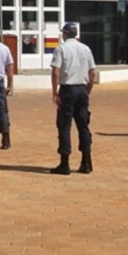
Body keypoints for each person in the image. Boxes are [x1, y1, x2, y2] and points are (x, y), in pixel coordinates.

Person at [50, 22, 97, 175]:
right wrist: (88, 91)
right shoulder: (85, 48)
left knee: (64, 126)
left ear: (65, 34)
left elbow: (56, 72)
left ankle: (65, 163)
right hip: (82, 89)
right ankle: (86, 161)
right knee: (83, 125)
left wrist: (55, 93)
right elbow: (92, 74)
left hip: (68, 90)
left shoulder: (61, 49)